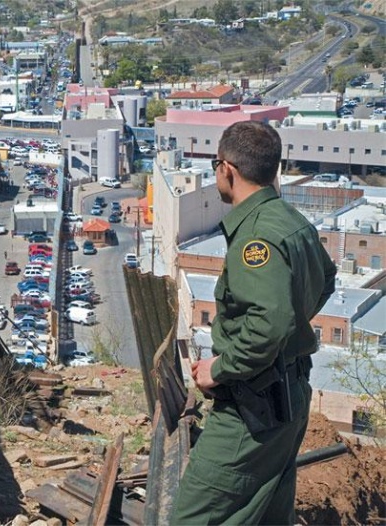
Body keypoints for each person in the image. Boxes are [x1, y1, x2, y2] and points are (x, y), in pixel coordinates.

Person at [171, 121, 336, 525]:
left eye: (214, 166)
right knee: (263, 516)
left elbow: (269, 321)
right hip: (289, 396)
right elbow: (325, 281)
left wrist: (221, 369)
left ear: (227, 168)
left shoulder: (255, 237)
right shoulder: (289, 220)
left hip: (253, 409)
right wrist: (286, 334)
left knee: (190, 518)